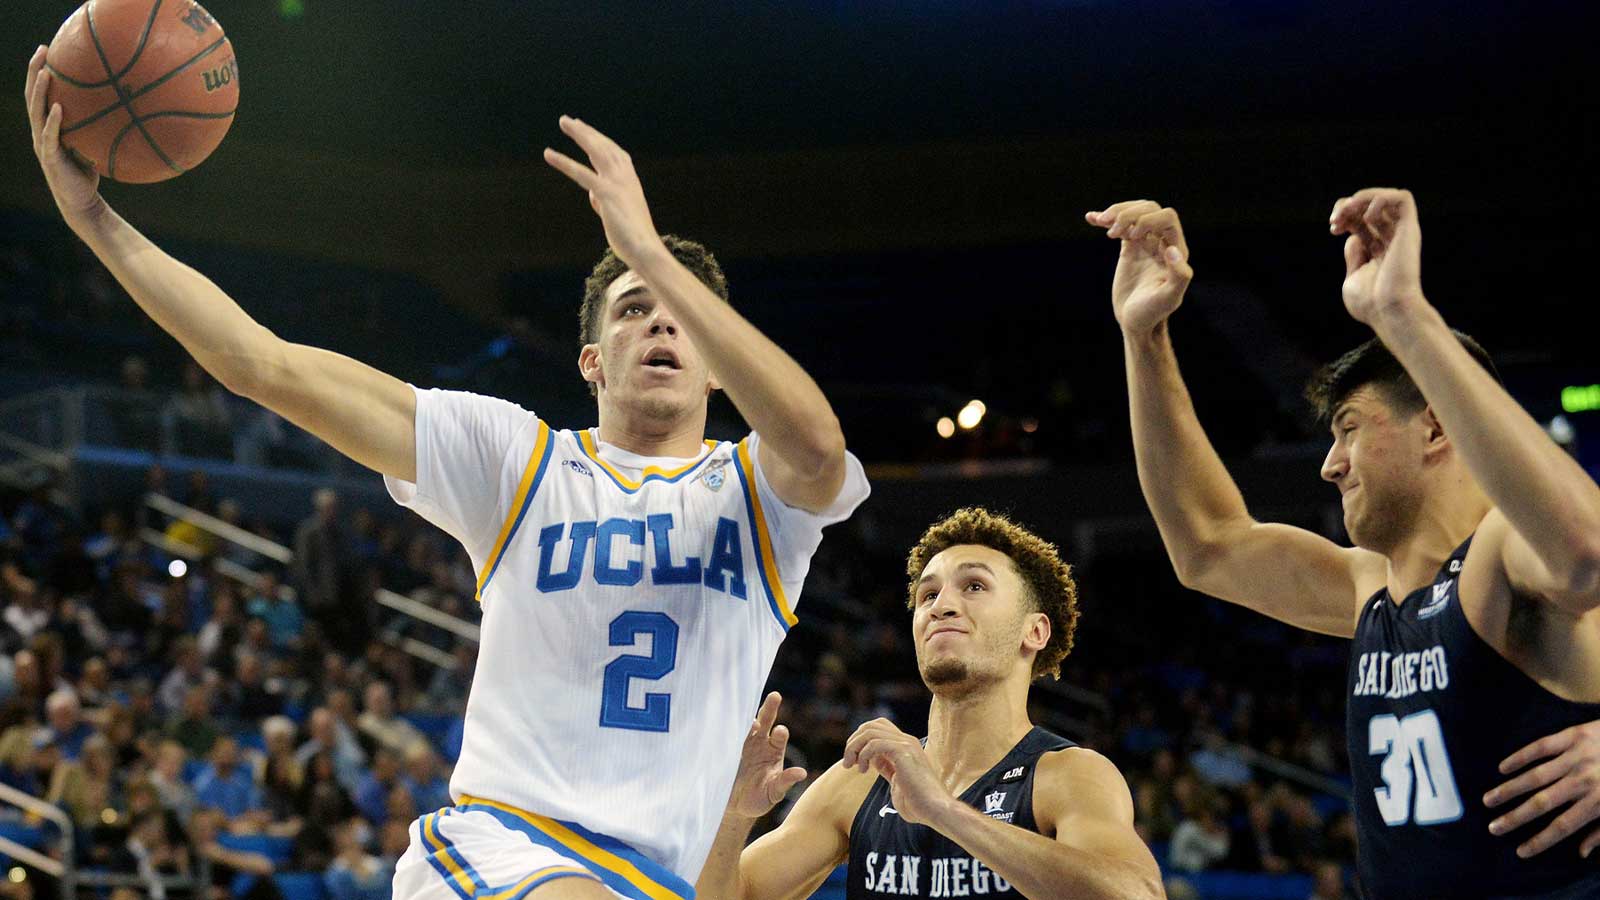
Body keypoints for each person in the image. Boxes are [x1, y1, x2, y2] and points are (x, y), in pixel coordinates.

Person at [26, 51, 867, 900]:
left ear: (717, 359)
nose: (659, 321)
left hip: (654, 882)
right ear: (591, 361)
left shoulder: (761, 495)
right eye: (634, 307)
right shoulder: (516, 460)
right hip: (506, 850)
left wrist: (647, 251)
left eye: (679, 311)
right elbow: (264, 365)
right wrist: (95, 220)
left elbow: (819, 449)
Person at [1086, 191, 1600, 898]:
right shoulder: (1371, 586)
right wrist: (1143, 338)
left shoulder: (1500, 556)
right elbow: (1206, 544)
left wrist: (1404, 316)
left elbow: (1587, 552)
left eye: (1349, 428)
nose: (1330, 463)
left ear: (1437, 426)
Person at [696, 508, 1162, 900]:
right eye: (928, 594)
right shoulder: (857, 783)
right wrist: (736, 815)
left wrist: (945, 810)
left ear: (1034, 631)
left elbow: (1139, 892)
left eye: (974, 586)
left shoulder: (1069, 775)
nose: (941, 605)